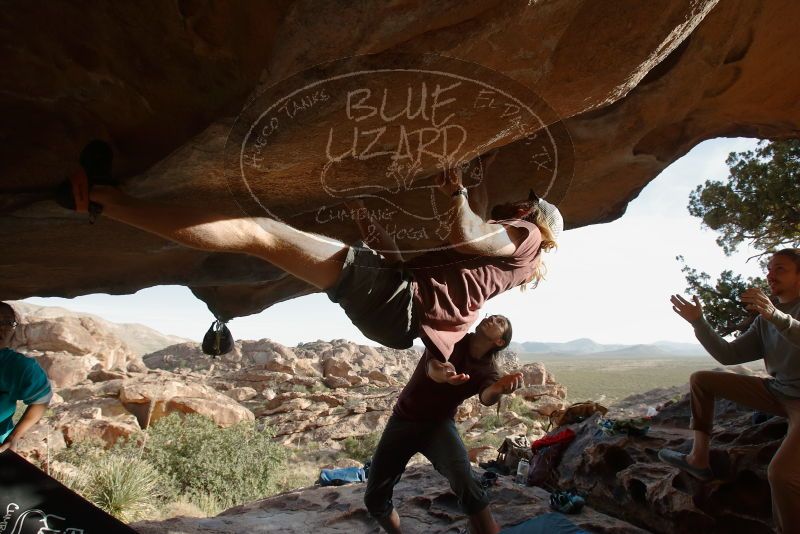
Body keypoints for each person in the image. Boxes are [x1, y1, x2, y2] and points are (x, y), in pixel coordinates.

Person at [86, 153, 562, 360]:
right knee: (265, 237)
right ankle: (105, 200)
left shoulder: (526, 236)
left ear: (531, 215)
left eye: (525, 205)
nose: (517, 205)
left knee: (262, 233)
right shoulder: (513, 264)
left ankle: (103, 199)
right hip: (400, 312)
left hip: (404, 306)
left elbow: (469, 237)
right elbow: (427, 268)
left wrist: (457, 190)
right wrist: (372, 234)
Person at [660, 249, 800, 533]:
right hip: (777, 391)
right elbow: (728, 354)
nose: (770, 275)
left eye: (781, 269)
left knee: (781, 474)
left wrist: (775, 316)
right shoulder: (765, 320)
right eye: (770, 269)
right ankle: (699, 458)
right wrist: (699, 322)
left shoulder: (772, 316)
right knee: (702, 378)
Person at [365, 314, 522, 534]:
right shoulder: (452, 338)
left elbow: (486, 397)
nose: (493, 318)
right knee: (375, 498)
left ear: (500, 342)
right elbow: (433, 368)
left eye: (500, 322)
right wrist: (445, 375)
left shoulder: (488, 370)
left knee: (465, 480)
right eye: (493, 316)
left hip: (438, 426)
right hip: (403, 420)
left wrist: (498, 389)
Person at [0, 302, 53, 453]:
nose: (2, 327)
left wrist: (13, 437)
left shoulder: (18, 365)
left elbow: (42, 399)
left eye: (8, 322)